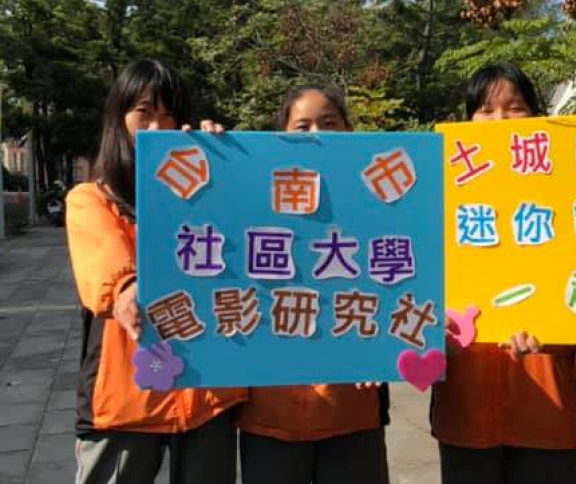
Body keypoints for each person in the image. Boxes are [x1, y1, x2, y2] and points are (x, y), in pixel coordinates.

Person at [66, 59, 246, 484]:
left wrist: (221, 165)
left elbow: (248, 237)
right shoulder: (91, 199)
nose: (157, 128)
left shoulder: (204, 193)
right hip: (125, 400)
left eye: (169, 115)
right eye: (143, 113)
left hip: (208, 394)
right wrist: (127, 289)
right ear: (119, 117)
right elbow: (107, 261)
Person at [431, 63, 576, 484]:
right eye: (486, 109)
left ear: (536, 116)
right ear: (467, 120)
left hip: (555, 412)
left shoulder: (575, 196)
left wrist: (561, 334)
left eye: (515, 108)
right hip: (466, 412)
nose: (500, 120)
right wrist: (430, 339)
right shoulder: (439, 198)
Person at [235, 85, 391, 484]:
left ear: (348, 131)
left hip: (352, 406)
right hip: (271, 409)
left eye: (329, 123)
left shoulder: (379, 202)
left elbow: (401, 283)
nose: (316, 134)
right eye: (302, 126)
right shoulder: (252, 199)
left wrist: (389, 347)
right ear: (282, 135)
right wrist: (204, 148)